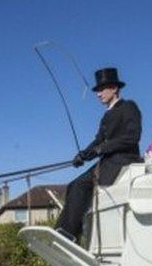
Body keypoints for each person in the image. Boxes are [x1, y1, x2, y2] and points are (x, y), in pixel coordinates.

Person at [54, 67, 141, 242]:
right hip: (107, 160)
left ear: (114, 88)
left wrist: (101, 149)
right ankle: (65, 232)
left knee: (80, 186)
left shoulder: (129, 107)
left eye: (101, 89)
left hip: (123, 160)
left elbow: (132, 137)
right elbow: (98, 141)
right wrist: (83, 155)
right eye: (97, 90)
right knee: (73, 185)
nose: (98, 94)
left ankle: (67, 235)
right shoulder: (105, 116)